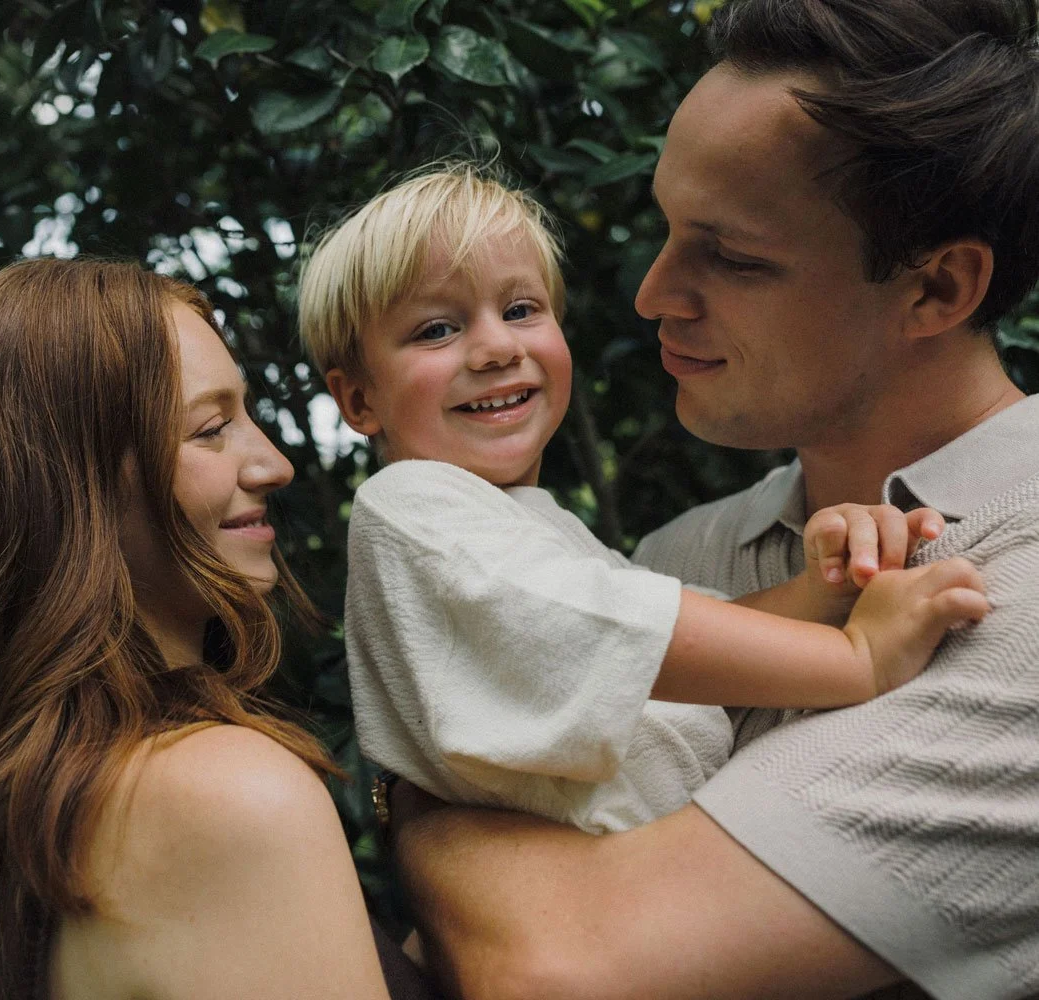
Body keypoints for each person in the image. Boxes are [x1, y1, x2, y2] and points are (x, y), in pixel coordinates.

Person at [387, 2, 1039, 998]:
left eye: (732, 257)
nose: (653, 292)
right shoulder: (683, 558)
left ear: (938, 289)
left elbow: (558, 968)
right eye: (664, 227)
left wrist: (420, 802)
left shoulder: (1023, 578)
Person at [296, 165, 986, 835]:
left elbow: (679, 638)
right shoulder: (409, 505)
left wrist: (828, 588)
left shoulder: (530, 523)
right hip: (599, 896)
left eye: (519, 309)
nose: (495, 347)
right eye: (436, 330)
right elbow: (605, 632)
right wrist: (855, 658)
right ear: (359, 400)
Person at [0, 258, 437, 1000]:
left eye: (248, 416)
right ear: (70, 490)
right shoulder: (224, 796)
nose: (274, 463)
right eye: (211, 428)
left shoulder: (33, 824)